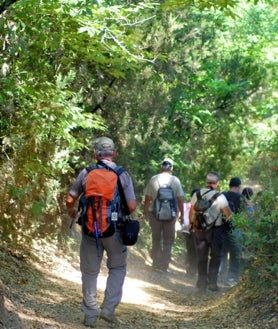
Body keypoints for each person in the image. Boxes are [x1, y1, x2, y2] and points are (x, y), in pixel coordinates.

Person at [66, 136, 136, 327]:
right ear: (114, 153)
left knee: (89, 272)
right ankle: (107, 310)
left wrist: (72, 212)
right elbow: (131, 206)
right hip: (116, 231)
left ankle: (90, 315)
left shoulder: (86, 173)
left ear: (95, 153)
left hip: (90, 229)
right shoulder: (122, 174)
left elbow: (71, 198)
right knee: (118, 268)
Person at [189, 171, 232, 292]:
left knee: (202, 257)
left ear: (206, 182)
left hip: (199, 230)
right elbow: (228, 214)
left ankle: (201, 282)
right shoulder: (220, 197)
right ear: (217, 183)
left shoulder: (197, 194)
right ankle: (212, 283)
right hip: (215, 231)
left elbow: (191, 211)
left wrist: (192, 225)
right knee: (215, 256)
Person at [143, 158, 184, 272]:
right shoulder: (175, 181)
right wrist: (182, 214)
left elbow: (148, 198)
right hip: (170, 216)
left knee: (156, 239)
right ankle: (164, 266)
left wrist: (145, 212)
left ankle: (155, 264)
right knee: (168, 241)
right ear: (172, 168)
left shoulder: (153, 179)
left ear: (161, 166)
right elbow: (180, 199)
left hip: (155, 214)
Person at [221, 177, 245, 287]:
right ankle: (232, 277)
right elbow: (243, 216)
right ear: (239, 186)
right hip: (235, 229)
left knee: (222, 253)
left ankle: (219, 277)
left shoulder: (222, 195)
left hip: (221, 228)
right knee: (235, 254)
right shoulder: (241, 198)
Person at [180, 188, 199, 277]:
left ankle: (189, 269)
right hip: (196, 231)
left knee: (190, 250)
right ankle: (192, 270)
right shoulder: (201, 206)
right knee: (195, 251)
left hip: (186, 230)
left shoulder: (185, 205)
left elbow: (180, 217)